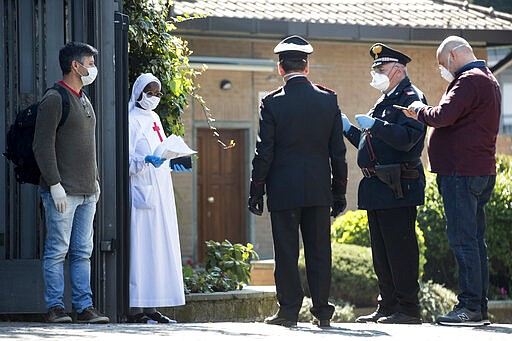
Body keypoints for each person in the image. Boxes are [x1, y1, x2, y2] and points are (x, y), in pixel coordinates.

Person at [248, 35, 348, 328]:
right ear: (307, 66)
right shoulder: (328, 99)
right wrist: (338, 191)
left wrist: (256, 190)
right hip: (319, 189)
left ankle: (289, 311)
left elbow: (263, 151)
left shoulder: (271, 103)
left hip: (284, 190)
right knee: (320, 251)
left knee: (286, 252)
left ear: (280, 68)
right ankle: (322, 312)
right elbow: (338, 153)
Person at [402, 36, 501, 326]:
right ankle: (478, 307)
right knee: (474, 241)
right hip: (479, 170)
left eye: (443, 63)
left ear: (455, 54)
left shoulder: (468, 80)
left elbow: (444, 116)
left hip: (462, 172)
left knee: (463, 241)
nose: (443, 69)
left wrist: (418, 111)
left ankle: (468, 307)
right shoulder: (488, 79)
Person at [342, 43, 427, 324]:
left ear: (399, 70)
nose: (375, 72)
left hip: (398, 184)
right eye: (374, 68)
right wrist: (349, 130)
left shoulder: (411, 98)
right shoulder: (383, 100)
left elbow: (408, 139)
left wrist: (375, 125)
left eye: (381, 67)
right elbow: (371, 145)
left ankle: (408, 308)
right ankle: (388, 305)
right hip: (377, 186)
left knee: (399, 249)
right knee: (381, 252)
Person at [33, 42, 109, 323]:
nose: (93, 68)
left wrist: (96, 182)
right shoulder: (55, 98)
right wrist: (54, 184)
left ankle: (84, 307)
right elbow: (42, 145)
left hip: (88, 192)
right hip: (63, 192)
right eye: (89, 63)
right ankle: (55, 307)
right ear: (75, 66)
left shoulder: (84, 98)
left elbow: (87, 146)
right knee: (56, 250)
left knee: (82, 252)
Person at [127, 73, 190, 323]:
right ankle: (136, 310)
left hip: (161, 192)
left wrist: (172, 161)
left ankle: (153, 307)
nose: (153, 97)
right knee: (142, 250)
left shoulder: (154, 118)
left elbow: (160, 149)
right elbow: (126, 159)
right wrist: (145, 161)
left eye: (157, 93)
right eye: (149, 92)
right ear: (139, 93)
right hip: (142, 193)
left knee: (159, 249)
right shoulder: (131, 120)